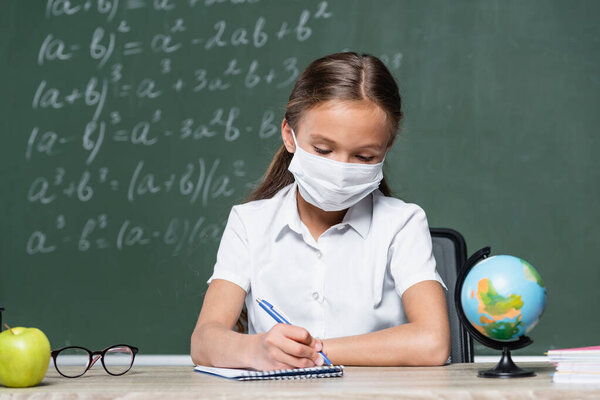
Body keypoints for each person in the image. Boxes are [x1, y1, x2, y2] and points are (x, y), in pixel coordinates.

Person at [190, 52, 450, 370]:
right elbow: (204, 340)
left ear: (386, 150)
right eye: (323, 150)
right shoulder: (250, 223)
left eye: (364, 157)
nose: (339, 170)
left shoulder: (402, 223)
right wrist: (255, 349)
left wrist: (312, 350)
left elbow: (432, 343)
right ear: (290, 135)